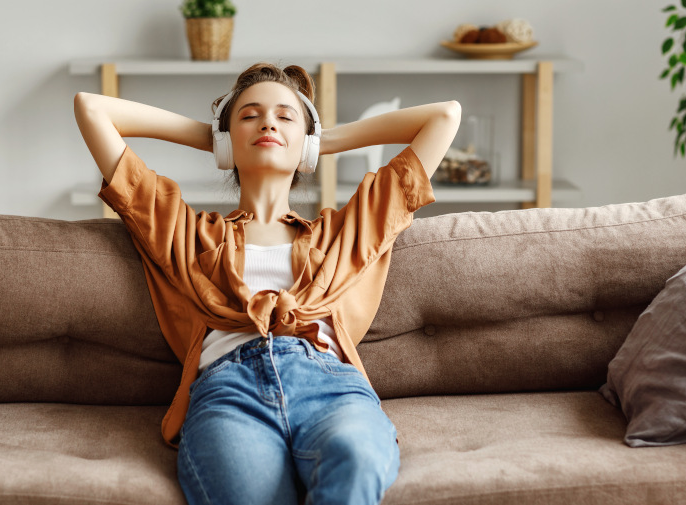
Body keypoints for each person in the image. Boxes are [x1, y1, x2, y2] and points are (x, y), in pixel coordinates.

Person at [74, 62, 461, 505]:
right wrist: (213, 137)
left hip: (330, 387)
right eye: (249, 115)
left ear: (307, 143)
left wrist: (320, 142)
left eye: (285, 115)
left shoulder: (344, 234)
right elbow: (91, 109)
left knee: (355, 459)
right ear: (225, 140)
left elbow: (444, 117)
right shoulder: (186, 233)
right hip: (229, 391)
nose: (268, 122)